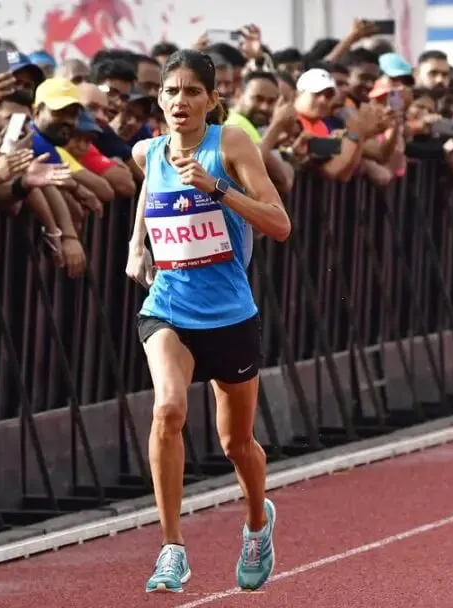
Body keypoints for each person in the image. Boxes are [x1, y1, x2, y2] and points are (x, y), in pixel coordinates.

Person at [124, 48, 291, 594]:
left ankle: (257, 523)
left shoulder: (231, 145)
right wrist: (136, 243)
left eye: (193, 91)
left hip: (230, 313)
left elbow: (279, 224)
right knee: (168, 408)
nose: (180, 101)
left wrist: (216, 188)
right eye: (171, 91)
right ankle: (171, 549)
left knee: (236, 443)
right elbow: (152, 189)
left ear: (213, 100)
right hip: (168, 306)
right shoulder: (146, 152)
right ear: (160, 99)